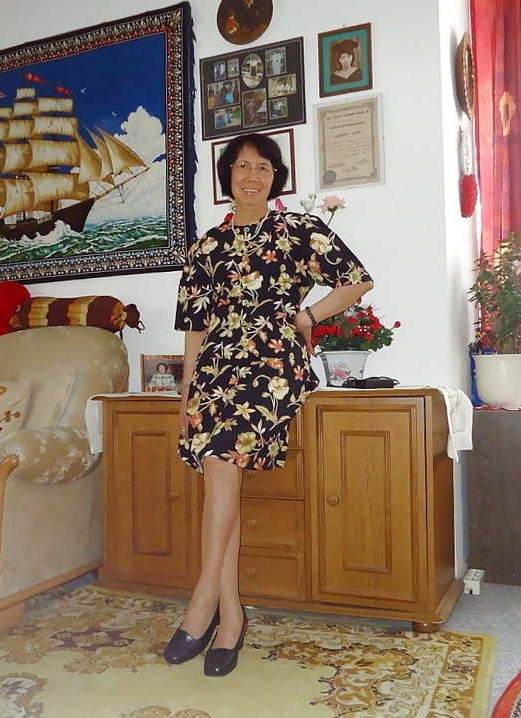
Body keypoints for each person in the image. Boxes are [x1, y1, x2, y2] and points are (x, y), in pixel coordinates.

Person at [168, 132, 374, 676]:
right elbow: (195, 328)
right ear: (228, 177)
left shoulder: (298, 230)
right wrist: (186, 393)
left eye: (263, 167)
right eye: (242, 166)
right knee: (221, 475)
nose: (252, 176)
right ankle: (231, 617)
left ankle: (203, 602)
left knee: (222, 468)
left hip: (271, 365)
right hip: (214, 370)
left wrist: (306, 317)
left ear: (275, 178)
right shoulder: (206, 246)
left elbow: (356, 282)